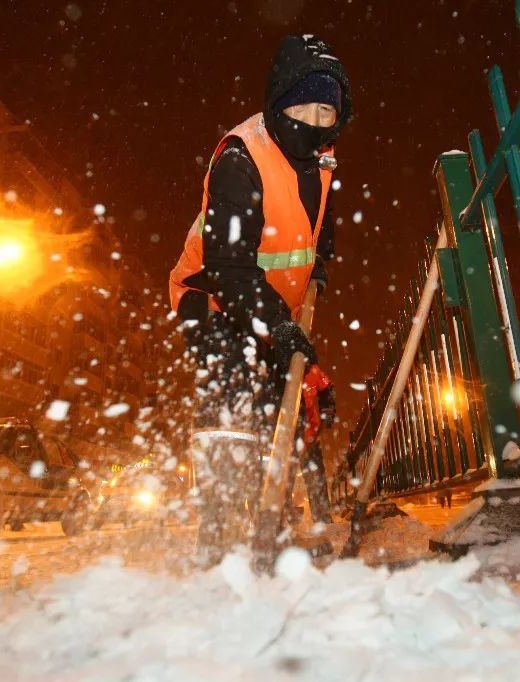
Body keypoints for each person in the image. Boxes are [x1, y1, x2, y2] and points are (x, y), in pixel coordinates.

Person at [169, 34, 352, 565]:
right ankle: (220, 531)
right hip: (213, 297)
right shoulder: (240, 159)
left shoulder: (320, 158)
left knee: (280, 408)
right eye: (304, 107)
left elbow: (318, 218)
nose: (316, 122)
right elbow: (229, 268)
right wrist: (284, 329)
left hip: (268, 304)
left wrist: (320, 261)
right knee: (234, 403)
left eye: (327, 111)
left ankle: (269, 522)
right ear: (279, 103)